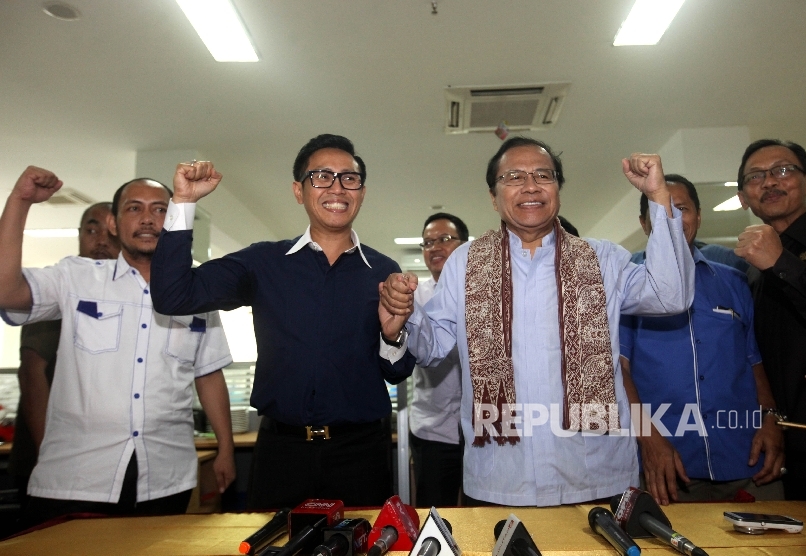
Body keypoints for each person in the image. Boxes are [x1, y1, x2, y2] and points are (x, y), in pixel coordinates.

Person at [380, 136, 695, 506]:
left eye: (542, 175)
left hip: (595, 477)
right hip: (500, 478)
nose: (530, 185)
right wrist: (403, 320)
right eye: (514, 177)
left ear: (558, 190)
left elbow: (670, 295)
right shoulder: (465, 263)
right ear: (493, 197)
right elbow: (433, 348)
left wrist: (658, 196)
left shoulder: (602, 258)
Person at [150, 134, 416, 509]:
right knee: (274, 547)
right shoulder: (263, 263)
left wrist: (392, 334)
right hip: (283, 452)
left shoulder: (384, 271)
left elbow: (398, 371)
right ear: (298, 190)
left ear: (362, 191)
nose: (337, 187)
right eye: (321, 176)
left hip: (360, 453)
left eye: (349, 178)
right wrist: (183, 203)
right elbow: (173, 296)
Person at [0, 169, 235, 526]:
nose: (147, 219)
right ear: (113, 221)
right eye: (134, 208)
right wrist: (19, 201)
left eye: (160, 210)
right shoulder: (76, 278)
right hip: (76, 477)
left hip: (165, 477)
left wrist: (226, 449)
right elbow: (7, 292)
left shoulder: (197, 292)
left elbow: (208, 374)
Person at [619, 174, 784, 505]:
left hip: (747, 457)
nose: (674, 220)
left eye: (682, 208)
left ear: (698, 215)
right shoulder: (626, 284)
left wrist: (771, 419)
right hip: (667, 464)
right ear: (644, 222)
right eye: (661, 211)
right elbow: (616, 370)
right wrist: (649, 440)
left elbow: (753, 360)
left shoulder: (734, 282)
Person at [734, 139, 806, 503]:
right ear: (744, 197)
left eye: (783, 170)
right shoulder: (751, 270)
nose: (770, 182)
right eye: (756, 176)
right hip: (791, 448)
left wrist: (781, 263)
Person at [9, 202, 119, 505]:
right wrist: (50, 454)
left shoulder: (125, 295)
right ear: (79, 235)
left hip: (95, 464)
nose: (100, 240)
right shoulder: (60, 289)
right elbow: (32, 375)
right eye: (91, 229)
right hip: (51, 460)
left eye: (110, 232)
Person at [409, 212, 467, 507]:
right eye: (428, 242)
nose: (435, 247)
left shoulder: (485, 294)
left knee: (482, 517)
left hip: (482, 432)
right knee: (435, 515)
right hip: (432, 430)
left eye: (445, 239)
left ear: (465, 245)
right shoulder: (413, 295)